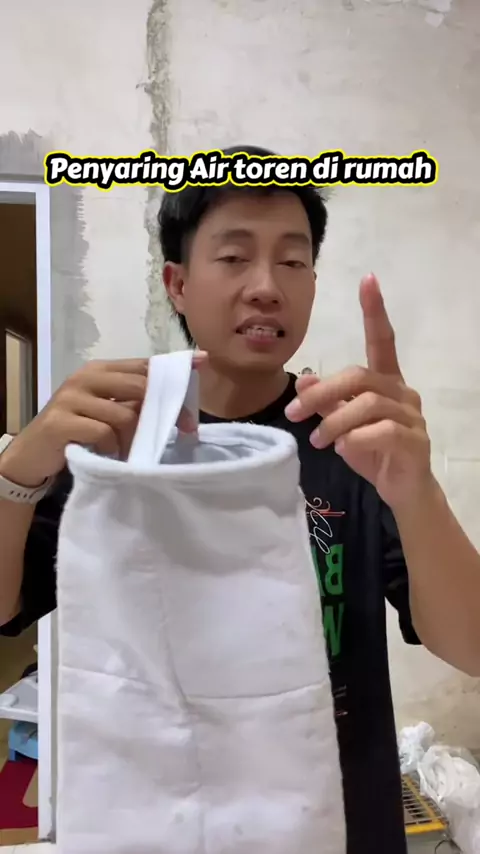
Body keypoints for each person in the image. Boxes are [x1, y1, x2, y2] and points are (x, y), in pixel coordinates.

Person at [1, 144, 480, 854]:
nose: (266, 286)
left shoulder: (350, 444)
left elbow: (470, 645)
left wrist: (418, 490)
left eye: (292, 261)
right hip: (153, 823)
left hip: (335, 824)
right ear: (177, 283)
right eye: (233, 257)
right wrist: (17, 471)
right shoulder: (117, 443)